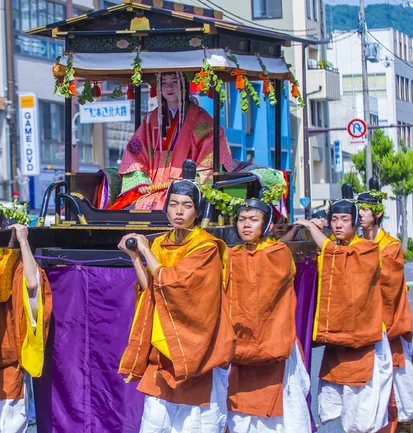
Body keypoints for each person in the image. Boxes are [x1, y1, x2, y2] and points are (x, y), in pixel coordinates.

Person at [118, 161, 235, 433]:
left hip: (195, 349)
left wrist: (146, 252)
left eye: (186, 205)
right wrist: (136, 257)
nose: (179, 211)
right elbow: (152, 290)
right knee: (156, 425)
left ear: (198, 210)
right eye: (173, 204)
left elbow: (172, 284)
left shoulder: (206, 247)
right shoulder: (160, 243)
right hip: (164, 348)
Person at [295, 198, 393, 433]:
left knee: (364, 410)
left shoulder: (367, 250)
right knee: (346, 405)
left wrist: (311, 228)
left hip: (364, 339)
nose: (338, 225)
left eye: (345, 219)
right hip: (338, 338)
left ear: (355, 223)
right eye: (335, 219)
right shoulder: (333, 245)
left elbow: (335, 254)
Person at [0, 180, 52, 433]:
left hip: (9, 353)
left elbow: (32, 283)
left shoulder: (12, 257)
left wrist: (23, 243)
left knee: (13, 424)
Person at [226, 197, 311, 432]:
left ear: (266, 225)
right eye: (242, 220)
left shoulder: (278, 254)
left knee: (284, 416)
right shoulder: (231, 256)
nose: (246, 225)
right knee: (240, 412)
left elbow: (268, 296)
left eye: (253, 220)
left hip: (275, 340)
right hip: (241, 346)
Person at [110, 72, 233, 210]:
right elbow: (135, 151)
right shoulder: (151, 119)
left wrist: (191, 182)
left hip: (184, 189)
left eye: (174, 82)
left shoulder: (203, 121)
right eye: (163, 83)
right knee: (127, 212)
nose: (169, 87)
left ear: (184, 86)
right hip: (152, 188)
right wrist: (141, 181)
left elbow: (211, 157)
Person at [357, 189, 413, 432]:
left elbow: (389, 284)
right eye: (359, 209)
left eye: (365, 210)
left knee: (399, 380)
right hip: (363, 324)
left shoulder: (390, 246)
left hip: (388, 322)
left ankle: (403, 425)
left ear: (377, 213)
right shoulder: (354, 243)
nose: (361, 214)